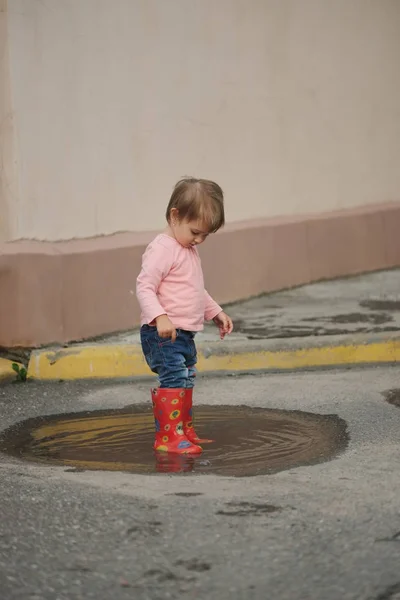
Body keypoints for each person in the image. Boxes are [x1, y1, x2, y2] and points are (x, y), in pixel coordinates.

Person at [136, 177, 233, 455]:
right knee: (175, 378)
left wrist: (215, 312)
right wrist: (160, 316)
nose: (199, 240)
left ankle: (183, 429)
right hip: (163, 332)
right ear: (174, 215)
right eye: (195, 232)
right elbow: (144, 286)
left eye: (205, 235)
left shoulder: (186, 248)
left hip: (184, 333)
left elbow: (194, 289)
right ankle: (168, 436)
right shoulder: (162, 249)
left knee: (187, 376)